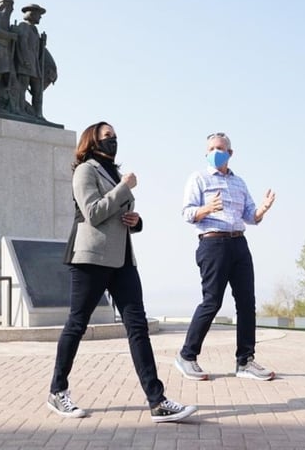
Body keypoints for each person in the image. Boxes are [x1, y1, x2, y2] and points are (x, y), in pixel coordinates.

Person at [48, 121, 197, 423]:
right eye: (107, 137)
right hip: (90, 257)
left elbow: (117, 214)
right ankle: (57, 390)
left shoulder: (114, 172)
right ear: (93, 141)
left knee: (138, 327)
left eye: (115, 137)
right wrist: (124, 187)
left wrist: (136, 220)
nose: (113, 141)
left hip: (123, 260)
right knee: (77, 324)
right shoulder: (85, 170)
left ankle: (157, 401)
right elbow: (93, 213)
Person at [175, 132, 276, 382]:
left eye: (220, 148)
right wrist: (207, 208)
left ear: (230, 153)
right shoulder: (198, 178)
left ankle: (245, 361)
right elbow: (187, 213)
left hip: (239, 243)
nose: (215, 152)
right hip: (213, 244)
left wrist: (262, 209)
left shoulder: (239, 183)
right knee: (212, 301)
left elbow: (250, 216)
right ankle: (187, 356)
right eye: (210, 148)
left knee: (246, 303)